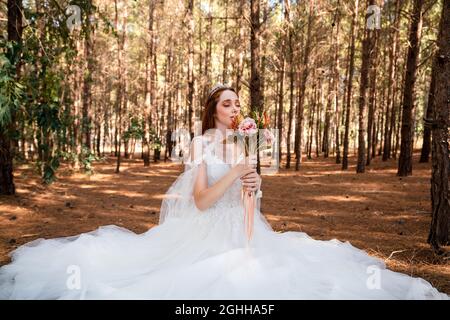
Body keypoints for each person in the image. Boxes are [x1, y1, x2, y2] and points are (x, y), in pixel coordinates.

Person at [0, 84, 448, 300]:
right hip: (206, 233)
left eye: (238, 103)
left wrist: (254, 183)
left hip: (247, 232)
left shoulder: (249, 143)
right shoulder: (199, 144)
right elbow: (199, 202)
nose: (235, 108)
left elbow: (249, 200)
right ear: (213, 109)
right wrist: (236, 173)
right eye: (227, 102)